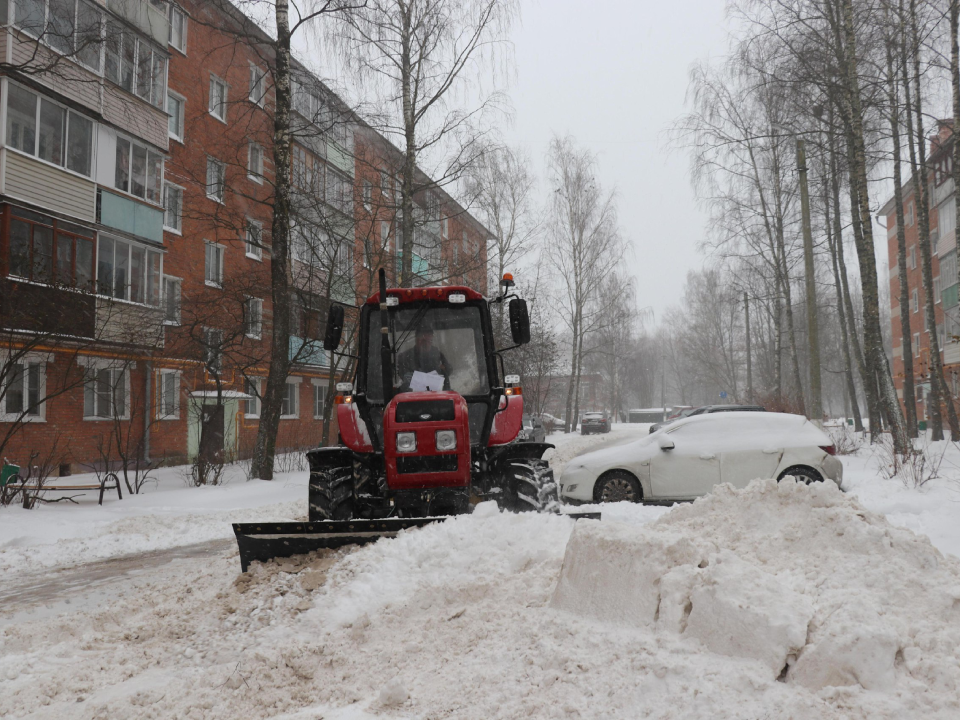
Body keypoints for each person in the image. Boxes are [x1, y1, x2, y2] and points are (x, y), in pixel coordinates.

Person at [397, 319, 451, 390]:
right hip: (411, 396)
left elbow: (448, 370)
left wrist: (444, 368)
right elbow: (403, 375)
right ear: (416, 340)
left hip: (438, 395)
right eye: (423, 341)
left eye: (429, 341)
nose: (426, 344)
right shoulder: (405, 356)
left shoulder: (437, 353)